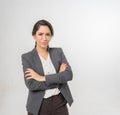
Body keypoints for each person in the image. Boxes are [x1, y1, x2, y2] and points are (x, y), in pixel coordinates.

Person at [21, 19, 73, 115]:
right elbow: (32, 85)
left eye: (48, 34)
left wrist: (41, 78)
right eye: (40, 34)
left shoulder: (58, 52)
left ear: (51, 36)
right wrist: (58, 78)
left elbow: (69, 75)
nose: (44, 38)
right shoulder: (27, 57)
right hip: (38, 105)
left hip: (59, 102)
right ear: (34, 36)